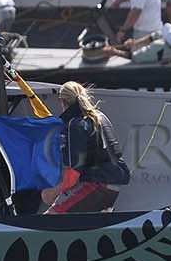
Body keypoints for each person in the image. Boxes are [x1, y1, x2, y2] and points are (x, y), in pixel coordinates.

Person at [41, 83, 129, 214]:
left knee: (48, 220)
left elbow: (73, 173)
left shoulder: (75, 125)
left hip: (96, 184)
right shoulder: (100, 116)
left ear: (62, 101)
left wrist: (54, 192)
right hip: (113, 185)